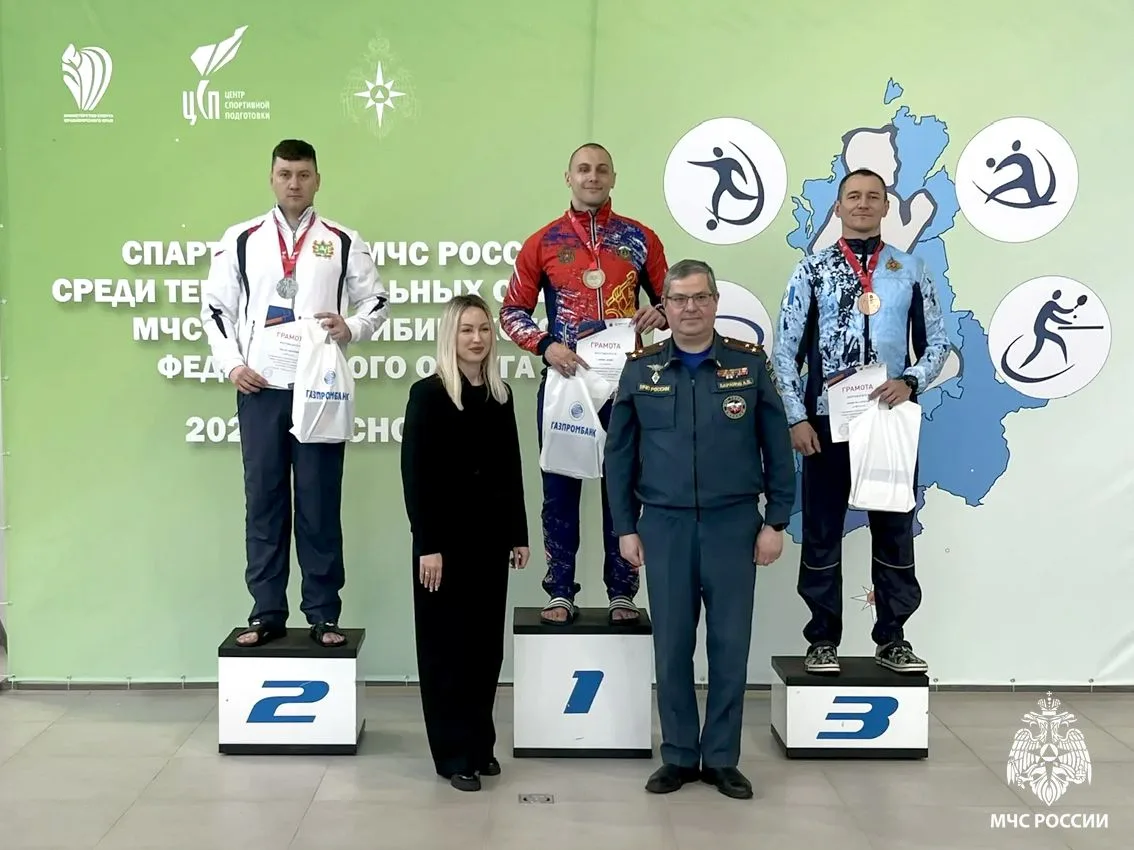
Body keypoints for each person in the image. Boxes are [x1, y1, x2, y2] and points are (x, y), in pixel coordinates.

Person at [605, 259, 795, 800]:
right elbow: (619, 456)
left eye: (700, 298)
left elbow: (777, 448)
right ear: (664, 307)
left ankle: (722, 759)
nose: (690, 308)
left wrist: (776, 521)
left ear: (714, 302)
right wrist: (625, 527)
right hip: (664, 526)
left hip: (734, 524)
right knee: (671, 647)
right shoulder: (641, 370)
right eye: (679, 299)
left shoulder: (748, 365)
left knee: (729, 646)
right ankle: (680, 755)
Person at [200, 139, 389, 648]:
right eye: (285, 174)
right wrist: (232, 364)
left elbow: (376, 300)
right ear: (271, 178)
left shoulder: (341, 240)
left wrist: (351, 327)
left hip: (318, 390)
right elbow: (215, 308)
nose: (294, 183)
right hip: (261, 388)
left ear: (317, 180)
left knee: (318, 502)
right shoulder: (242, 239)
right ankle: (266, 612)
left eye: (303, 174)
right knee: (264, 501)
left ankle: (324, 613)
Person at [770, 167, 949, 676]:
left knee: (893, 529)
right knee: (822, 531)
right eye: (854, 196)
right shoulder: (812, 270)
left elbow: (937, 343)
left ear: (887, 207)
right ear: (839, 206)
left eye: (874, 196)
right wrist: (797, 418)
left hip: (888, 422)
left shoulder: (910, 269)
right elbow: (784, 352)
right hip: (828, 426)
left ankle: (893, 638)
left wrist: (911, 380)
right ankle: (822, 638)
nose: (863, 204)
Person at [499, 142, 670, 626]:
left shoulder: (640, 238)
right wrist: (546, 345)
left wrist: (659, 314)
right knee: (559, 489)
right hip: (566, 383)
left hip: (626, 387)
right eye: (583, 169)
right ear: (568, 177)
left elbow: (672, 302)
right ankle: (560, 590)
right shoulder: (543, 242)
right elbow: (511, 312)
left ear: (613, 177)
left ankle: (622, 591)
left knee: (625, 487)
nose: (592, 177)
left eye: (601, 170)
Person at [399, 294, 531, 792]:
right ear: (450, 336)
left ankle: (480, 745)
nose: (477, 339)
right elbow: (416, 476)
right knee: (445, 651)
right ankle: (452, 754)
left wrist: (518, 533)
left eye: (483, 329)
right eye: (466, 330)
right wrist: (427, 544)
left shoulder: (501, 394)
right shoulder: (427, 394)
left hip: (490, 542)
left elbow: (511, 467)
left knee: (483, 650)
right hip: (443, 546)